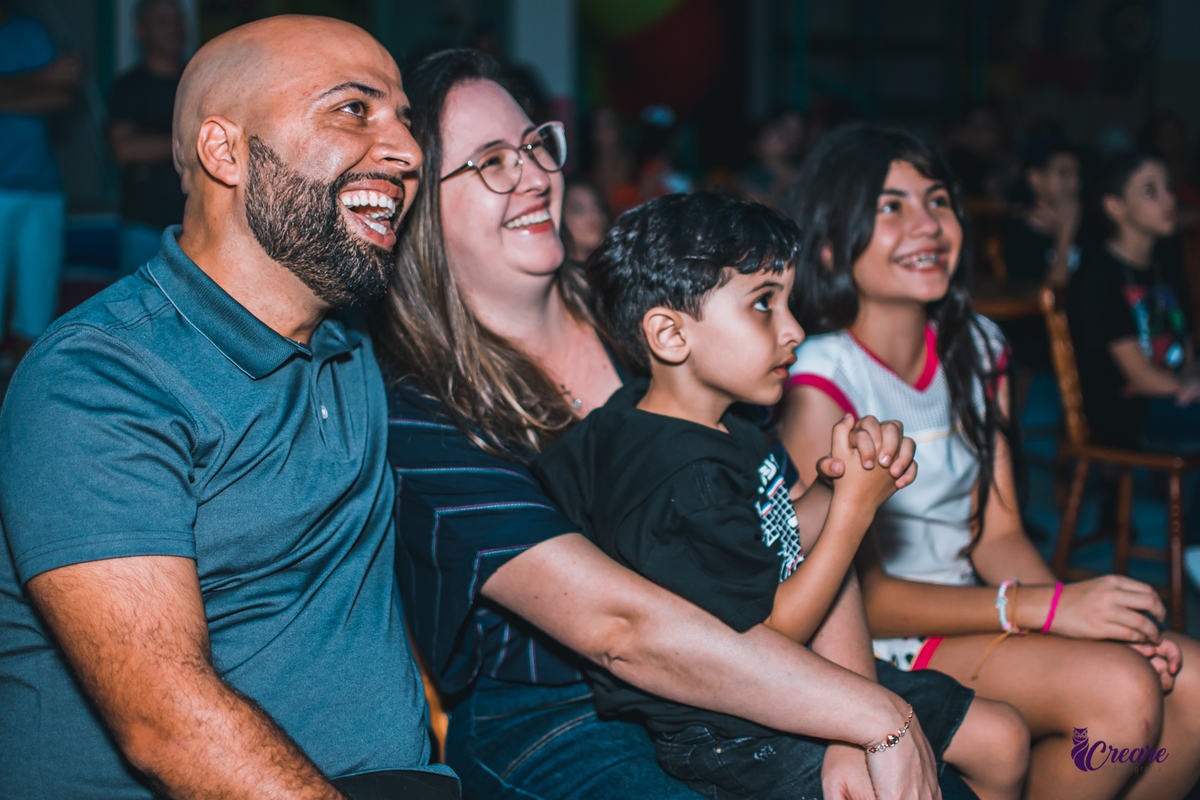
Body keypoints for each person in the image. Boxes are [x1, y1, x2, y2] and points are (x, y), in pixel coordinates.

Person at [376, 48, 996, 800]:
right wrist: (865, 716)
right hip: (559, 709)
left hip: (751, 658)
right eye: (491, 162)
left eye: (537, 144)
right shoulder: (417, 413)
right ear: (417, 207)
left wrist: (841, 714)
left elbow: (778, 527)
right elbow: (623, 631)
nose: (536, 175)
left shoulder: (651, 312)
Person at [0, 16, 458, 800]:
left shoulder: (352, 341)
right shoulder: (103, 377)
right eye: (354, 110)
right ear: (226, 151)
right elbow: (167, 726)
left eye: (404, 123)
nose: (409, 152)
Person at [531, 190, 1029, 800]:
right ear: (668, 334)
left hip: (791, 675)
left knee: (1002, 738)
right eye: (764, 304)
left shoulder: (721, 425)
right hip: (735, 725)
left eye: (788, 301)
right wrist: (853, 513)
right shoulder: (681, 480)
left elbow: (780, 529)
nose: (793, 329)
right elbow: (776, 631)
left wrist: (836, 482)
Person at [777, 124, 1200, 799]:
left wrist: (1073, 616)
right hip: (880, 646)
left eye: (939, 200)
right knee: (1122, 695)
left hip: (975, 608)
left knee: (1195, 682)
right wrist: (1048, 609)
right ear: (831, 243)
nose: (929, 225)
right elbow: (862, 600)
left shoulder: (978, 344)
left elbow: (998, 534)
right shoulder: (819, 382)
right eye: (892, 207)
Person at [1068, 151, 1199, 453]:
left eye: (1168, 187)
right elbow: (1140, 377)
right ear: (1116, 207)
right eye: (1150, 191)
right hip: (1127, 411)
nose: (1169, 199)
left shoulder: (1166, 258)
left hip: (1174, 397)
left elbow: (1187, 351)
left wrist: (1192, 382)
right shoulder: (1097, 273)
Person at [0, 0, 80, 369]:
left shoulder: (32, 30)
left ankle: (18, 421)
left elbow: (62, 94)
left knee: (36, 323)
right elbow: (50, 82)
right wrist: (42, 75)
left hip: (42, 191)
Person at [108, 0, 188, 274]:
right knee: (138, 310)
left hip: (198, 227)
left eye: (178, 20)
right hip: (143, 225)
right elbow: (124, 148)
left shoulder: (199, 80)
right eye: (164, 21)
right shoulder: (128, 87)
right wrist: (189, 140)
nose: (175, 29)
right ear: (140, 30)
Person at [997, 134, 1083, 372]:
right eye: (1064, 174)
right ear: (1036, 179)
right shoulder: (1017, 236)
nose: (1075, 185)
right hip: (1039, 357)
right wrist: (1066, 233)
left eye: (1077, 175)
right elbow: (1049, 301)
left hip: (1086, 349)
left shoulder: (1090, 228)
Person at [561, 177, 609, 266]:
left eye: (597, 205)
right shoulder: (555, 278)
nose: (595, 215)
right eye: (578, 209)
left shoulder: (613, 271)